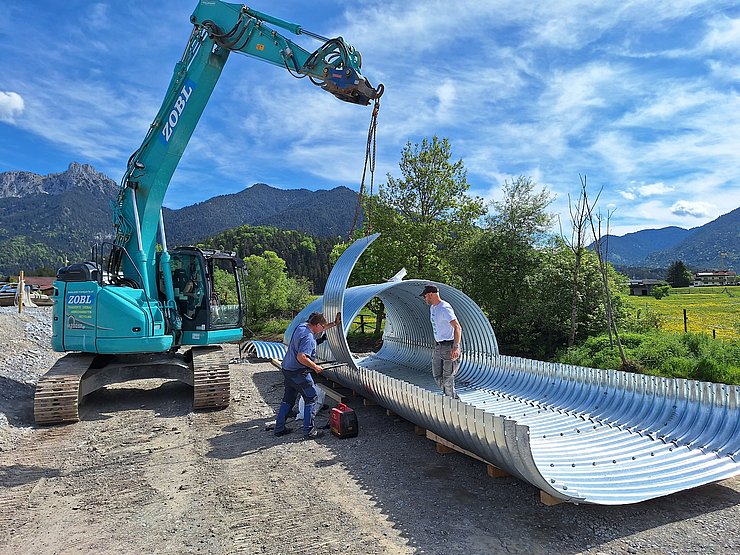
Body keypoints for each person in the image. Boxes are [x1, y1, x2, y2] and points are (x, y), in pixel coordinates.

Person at [274, 311, 342, 439]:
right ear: (316, 325)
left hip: (287, 369)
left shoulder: (302, 327)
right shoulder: (309, 338)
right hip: (298, 372)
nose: (322, 330)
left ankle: (279, 428)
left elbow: (319, 329)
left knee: (288, 399)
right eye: (322, 327)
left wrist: (334, 324)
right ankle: (309, 431)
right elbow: (301, 357)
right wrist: (315, 366)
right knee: (311, 397)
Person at [421, 284, 462, 399]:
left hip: (449, 346)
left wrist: (456, 347)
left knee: (448, 378)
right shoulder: (433, 308)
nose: (424, 299)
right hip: (439, 347)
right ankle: (452, 398)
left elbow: (457, 327)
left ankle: (453, 403)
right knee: (437, 376)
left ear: (431, 294)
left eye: (425, 296)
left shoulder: (444, 308)